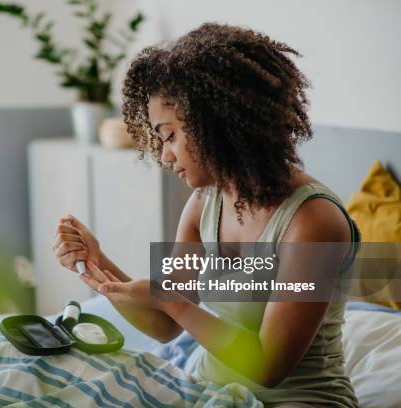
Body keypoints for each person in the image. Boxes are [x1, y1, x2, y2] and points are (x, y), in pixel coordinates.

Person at [53, 23, 360, 408]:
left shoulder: (313, 222)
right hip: (209, 388)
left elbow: (268, 366)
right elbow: (165, 327)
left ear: (213, 123)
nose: (164, 156)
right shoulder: (203, 205)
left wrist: (172, 302)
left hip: (296, 399)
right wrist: (99, 267)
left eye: (169, 136)